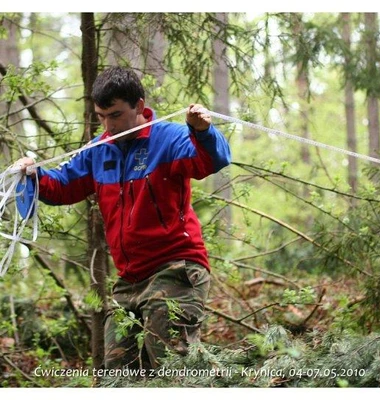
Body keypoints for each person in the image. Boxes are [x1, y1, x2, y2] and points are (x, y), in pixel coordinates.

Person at [15, 66, 231, 373]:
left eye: (114, 115)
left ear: (139, 107)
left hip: (176, 269)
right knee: (116, 376)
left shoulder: (169, 138)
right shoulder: (98, 149)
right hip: (129, 279)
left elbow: (211, 160)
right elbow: (63, 185)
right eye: (101, 116)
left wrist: (202, 131)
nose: (107, 124)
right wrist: (32, 175)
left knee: (173, 369)